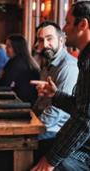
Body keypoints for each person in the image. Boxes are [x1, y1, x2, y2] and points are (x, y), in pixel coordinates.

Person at [31, 1, 90, 170]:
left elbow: (85, 120)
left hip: (86, 148)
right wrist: (56, 95)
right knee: (38, 148)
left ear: (83, 24)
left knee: (52, 160)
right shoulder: (85, 59)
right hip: (84, 141)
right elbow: (82, 108)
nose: (64, 29)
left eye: (68, 22)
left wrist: (51, 160)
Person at [33, 21, 78, 140]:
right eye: (41, 40)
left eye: (49, 39)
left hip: (54, 131)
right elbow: (42, 99)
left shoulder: (68, 66)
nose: (46, 44)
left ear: (61, 41)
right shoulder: (48, 63)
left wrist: (32, 130)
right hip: (42, 122)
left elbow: (57, 112)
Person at [0, 34, 40, 105]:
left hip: (23, 104)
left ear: (17, 47)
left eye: (8, 46)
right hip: (21, 100)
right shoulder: (20, 60)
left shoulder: (18, 62)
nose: (5, 48)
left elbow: (4, 84)